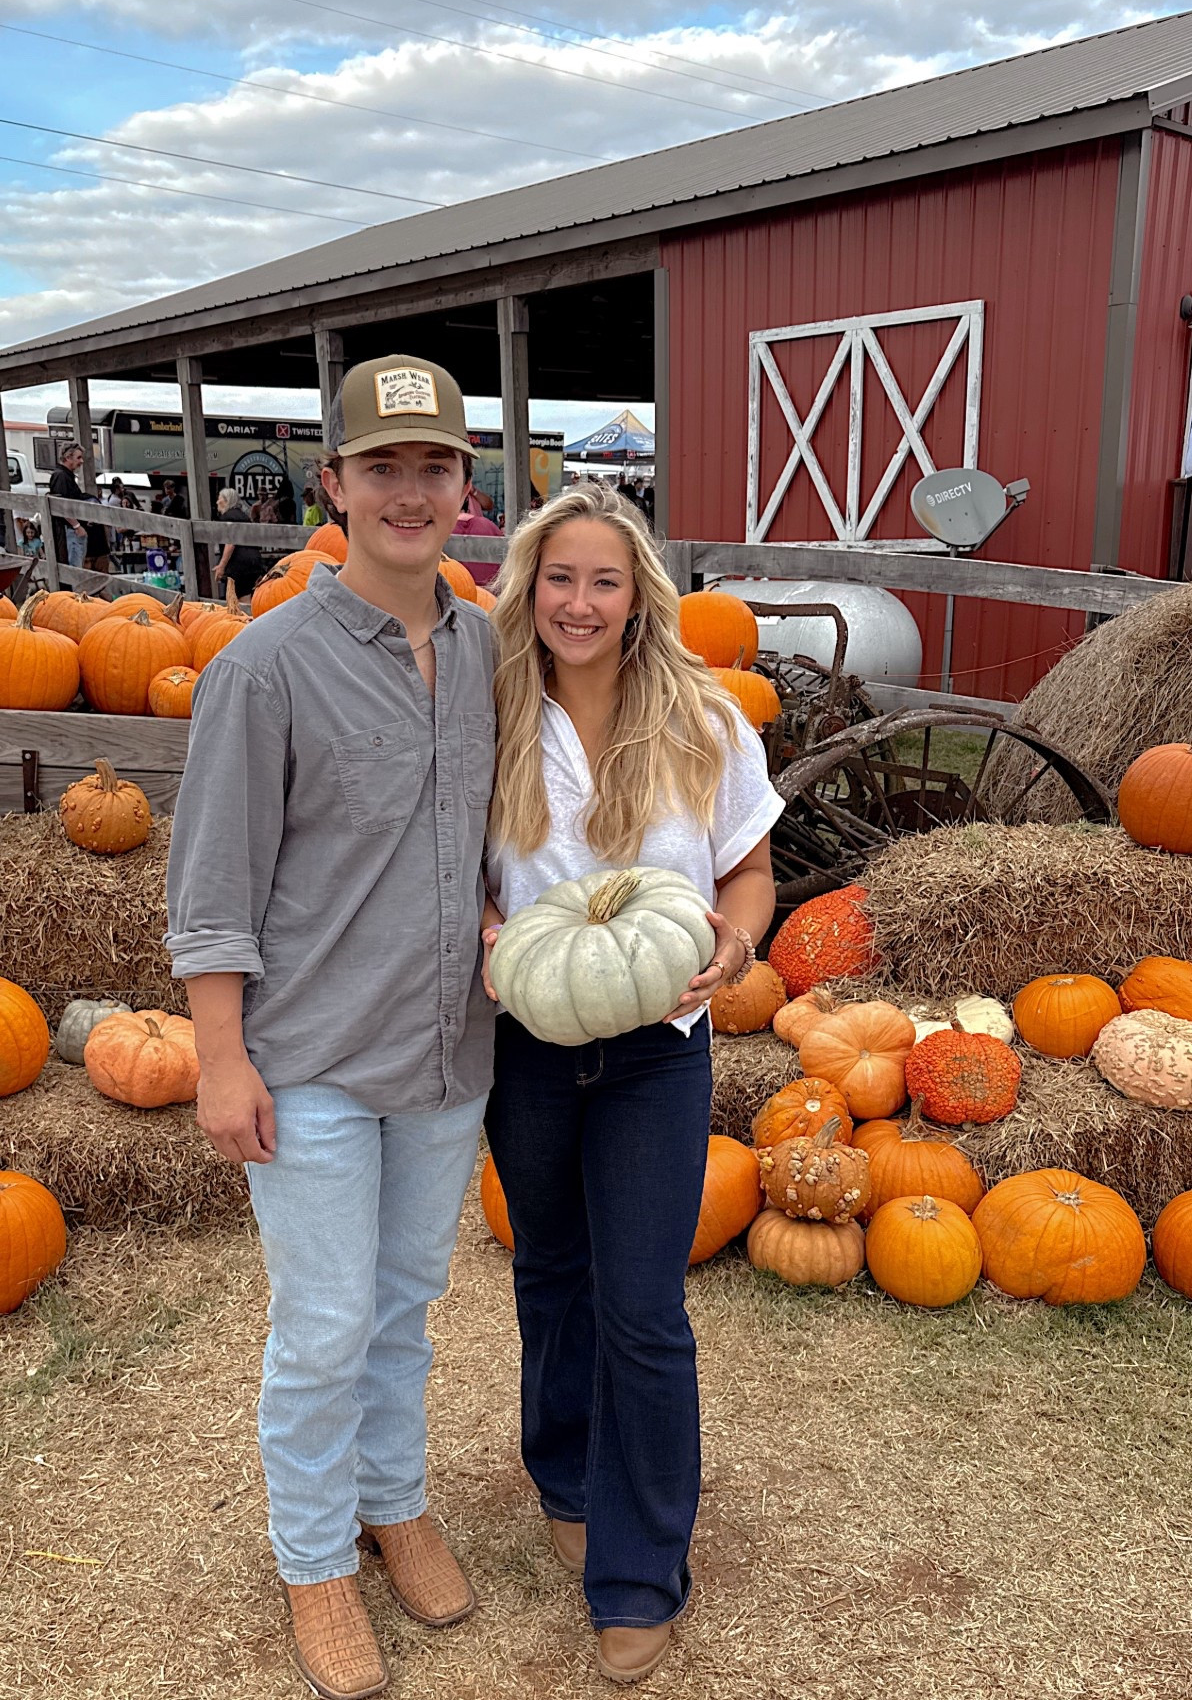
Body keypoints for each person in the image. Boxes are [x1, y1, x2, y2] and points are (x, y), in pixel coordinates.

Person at [165, 353, 495, 1700]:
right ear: (335, 483)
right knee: (322, 1317)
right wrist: (220, 1055)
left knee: (407, 1303)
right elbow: (214, 882)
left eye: (433, 466)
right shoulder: (267, 667)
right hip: (307, 1058)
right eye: (381, 467)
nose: (408, 492)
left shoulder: (492, 648)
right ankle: (312, 1557)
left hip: (444, 1050)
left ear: (468, 485)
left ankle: (390, 1495)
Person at [481, 483, 782, 1686]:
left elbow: (751, 871)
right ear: (529, 588)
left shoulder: (704, 717)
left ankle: (642, 1567)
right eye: (561, 579)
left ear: (639, 593)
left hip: (662, 1043)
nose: (581, 602)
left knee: (644, 1309)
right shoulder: (492, 711)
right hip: (528, 1041)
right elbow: (461, 872)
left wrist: (738, 944)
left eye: (606, 580)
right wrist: (493, 931)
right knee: (551, 1271)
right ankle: (563, 1469)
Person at [211, 487, 264, 599]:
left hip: (239, 564)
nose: (217, 502)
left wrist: (222, 565)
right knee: (248, 596)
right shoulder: (244, 516)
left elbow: (230, 542)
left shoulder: (227, 518)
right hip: (254, 561)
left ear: (226, 500)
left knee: (236, 598)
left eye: (219, 499)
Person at [47, 442, 88, 567]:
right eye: (78, 457)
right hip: (69, 530)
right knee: (74, 566)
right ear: (68, 457)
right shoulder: (61, 476)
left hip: (71, 529)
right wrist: (76, 526)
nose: (81, 461)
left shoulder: (64, 476)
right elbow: (62, 505)